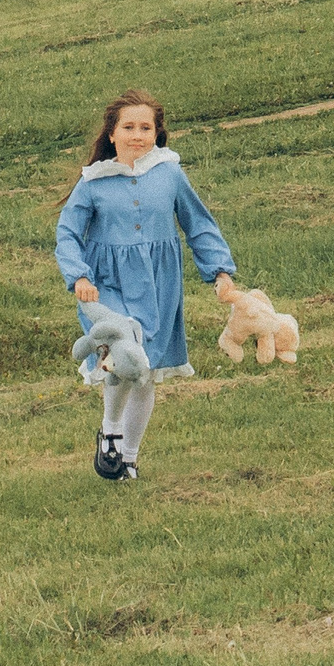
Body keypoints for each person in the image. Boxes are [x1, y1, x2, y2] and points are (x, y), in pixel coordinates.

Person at [54, 88, 239, 482]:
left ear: (156, 133)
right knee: (124, 350)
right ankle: (110, 433)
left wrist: (220, 272)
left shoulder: (170, 174)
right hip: (106, 284)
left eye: (145, 128)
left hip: (159, 284)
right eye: (128, 127)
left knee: (144, 371)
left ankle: (129, 460)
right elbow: (67, 233)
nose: (137, 135)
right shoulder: (94, 182)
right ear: (112, 134)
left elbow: (198, 224)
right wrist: (79, 276)